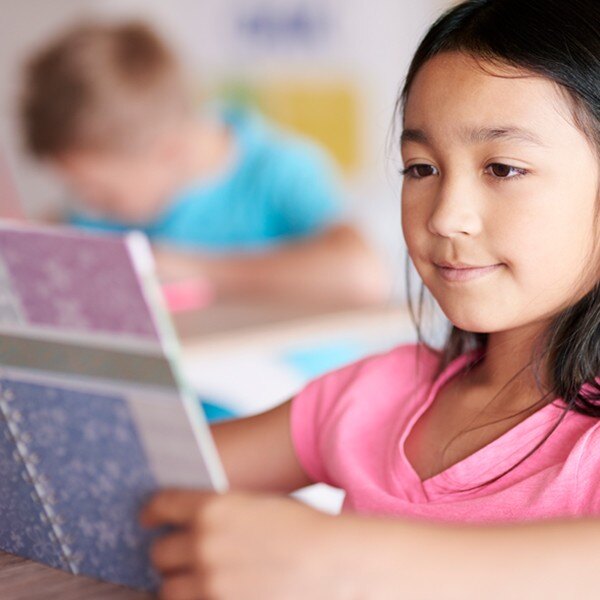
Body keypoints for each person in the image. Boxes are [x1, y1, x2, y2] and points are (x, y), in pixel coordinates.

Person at [136, 0, 600, 598]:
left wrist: (345, 561)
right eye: (421, 168)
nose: (446, 217)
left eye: (504, 168)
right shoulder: (377, 394)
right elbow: (132, 477)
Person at [20, 22, 388, 307]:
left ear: (169, 151)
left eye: (103, 191)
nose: (86, 200)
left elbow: (363, 276)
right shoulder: (97, 208)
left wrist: (194, 272)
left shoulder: (278, 171)